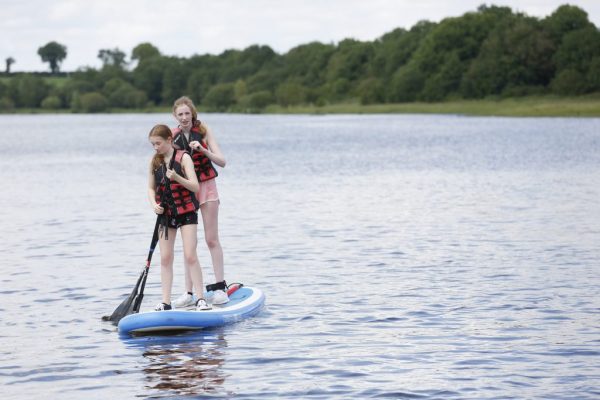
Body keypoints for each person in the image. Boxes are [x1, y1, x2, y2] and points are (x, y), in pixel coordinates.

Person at [170, 96, 229, 307]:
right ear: (175, 116)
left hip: (208, 187)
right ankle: (190, 293)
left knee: (211, 239)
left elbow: (222, 161)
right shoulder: (173, 137)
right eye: (180, 114)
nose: (184, 118)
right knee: (189, 246)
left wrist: (203, 150)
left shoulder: (203, 130)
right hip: (188, 192)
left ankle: (221, 287)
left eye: (187, 113)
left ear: (192, 114)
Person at [147, 124, 211, 311]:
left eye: (158, 143)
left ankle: (200, 299)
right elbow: (150, 188)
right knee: (165, 258)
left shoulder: (184, 158)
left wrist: (177, 178)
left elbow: (195, 186)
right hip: (166, 216)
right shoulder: (154, 161)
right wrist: (153, 205)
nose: (155, 148)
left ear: (169, 140)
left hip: (187, 213)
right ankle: (166, 302)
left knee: (190, 255)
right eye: (152, 144)